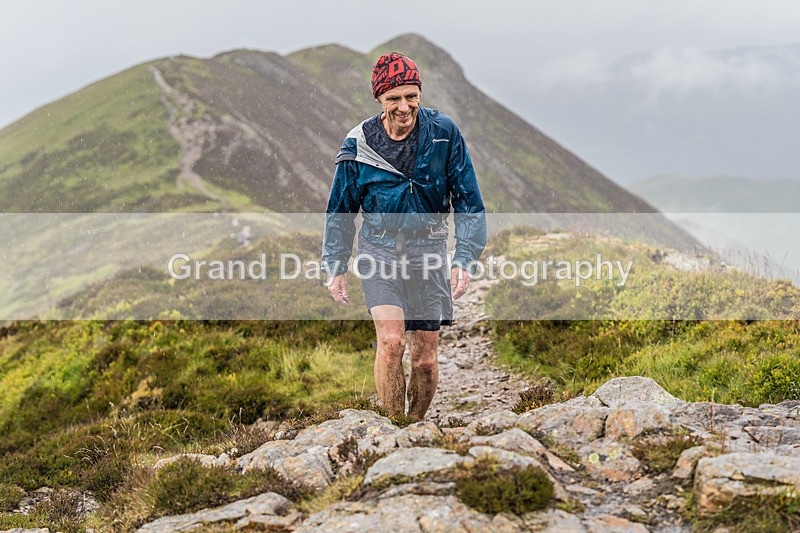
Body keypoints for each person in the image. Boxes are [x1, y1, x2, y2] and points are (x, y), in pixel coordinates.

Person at [322, 52, 486, 421]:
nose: (404, 106)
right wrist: (335, 264)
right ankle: (394, 428)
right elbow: (341, 210)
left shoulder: (443, 133)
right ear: (379, 98)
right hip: (379, 251)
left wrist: (465, 256)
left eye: (411, 96)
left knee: (425, 359)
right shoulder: (359, 144)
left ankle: (415, 426)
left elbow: (468, 200)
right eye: (393, 98)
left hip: (428, 251)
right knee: (392, 342)